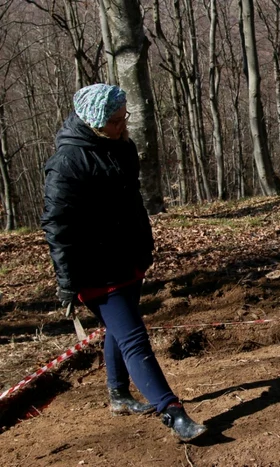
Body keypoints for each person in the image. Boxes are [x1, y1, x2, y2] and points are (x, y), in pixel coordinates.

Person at [41, 84, 207, 442]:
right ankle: (172, 412)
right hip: (95, 268)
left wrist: (143, 247)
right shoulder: (67, 163)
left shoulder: (123, 146)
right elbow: (57, 227)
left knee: (121, 329)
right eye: (115, 121)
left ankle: (118, 394)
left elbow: (132, 204)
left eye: (124, 117)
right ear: (95, 122)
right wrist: (67, 282)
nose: (123, 125)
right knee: (134, 337)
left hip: (128, 258)